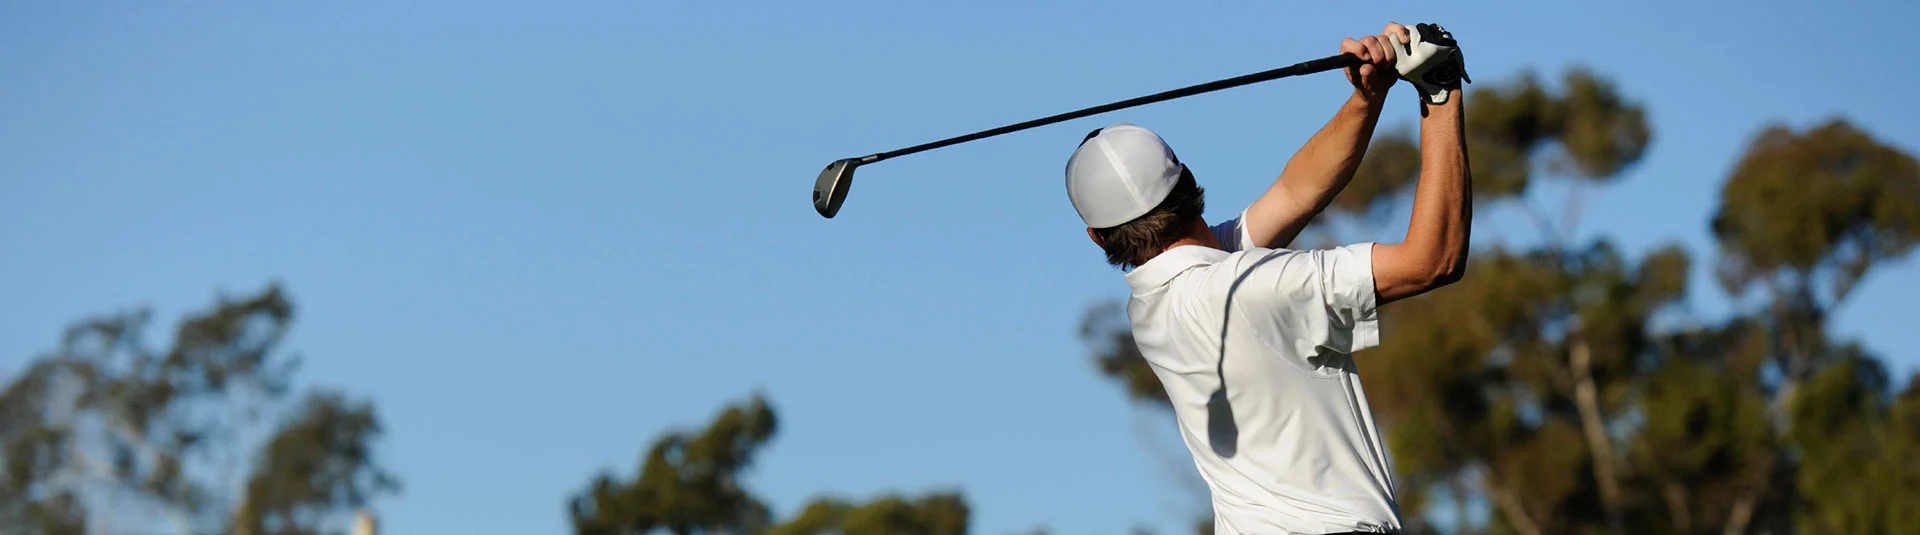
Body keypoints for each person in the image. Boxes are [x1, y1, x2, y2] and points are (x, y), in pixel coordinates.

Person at [1063, 22, 1471, 535]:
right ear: (1188, 179)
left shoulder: (1153, 306)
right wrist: (1439, 90)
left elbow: (1296, 192)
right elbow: (1433, 260)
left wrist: (1368, 98)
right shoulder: (1253, 287)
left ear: (1099, 238)